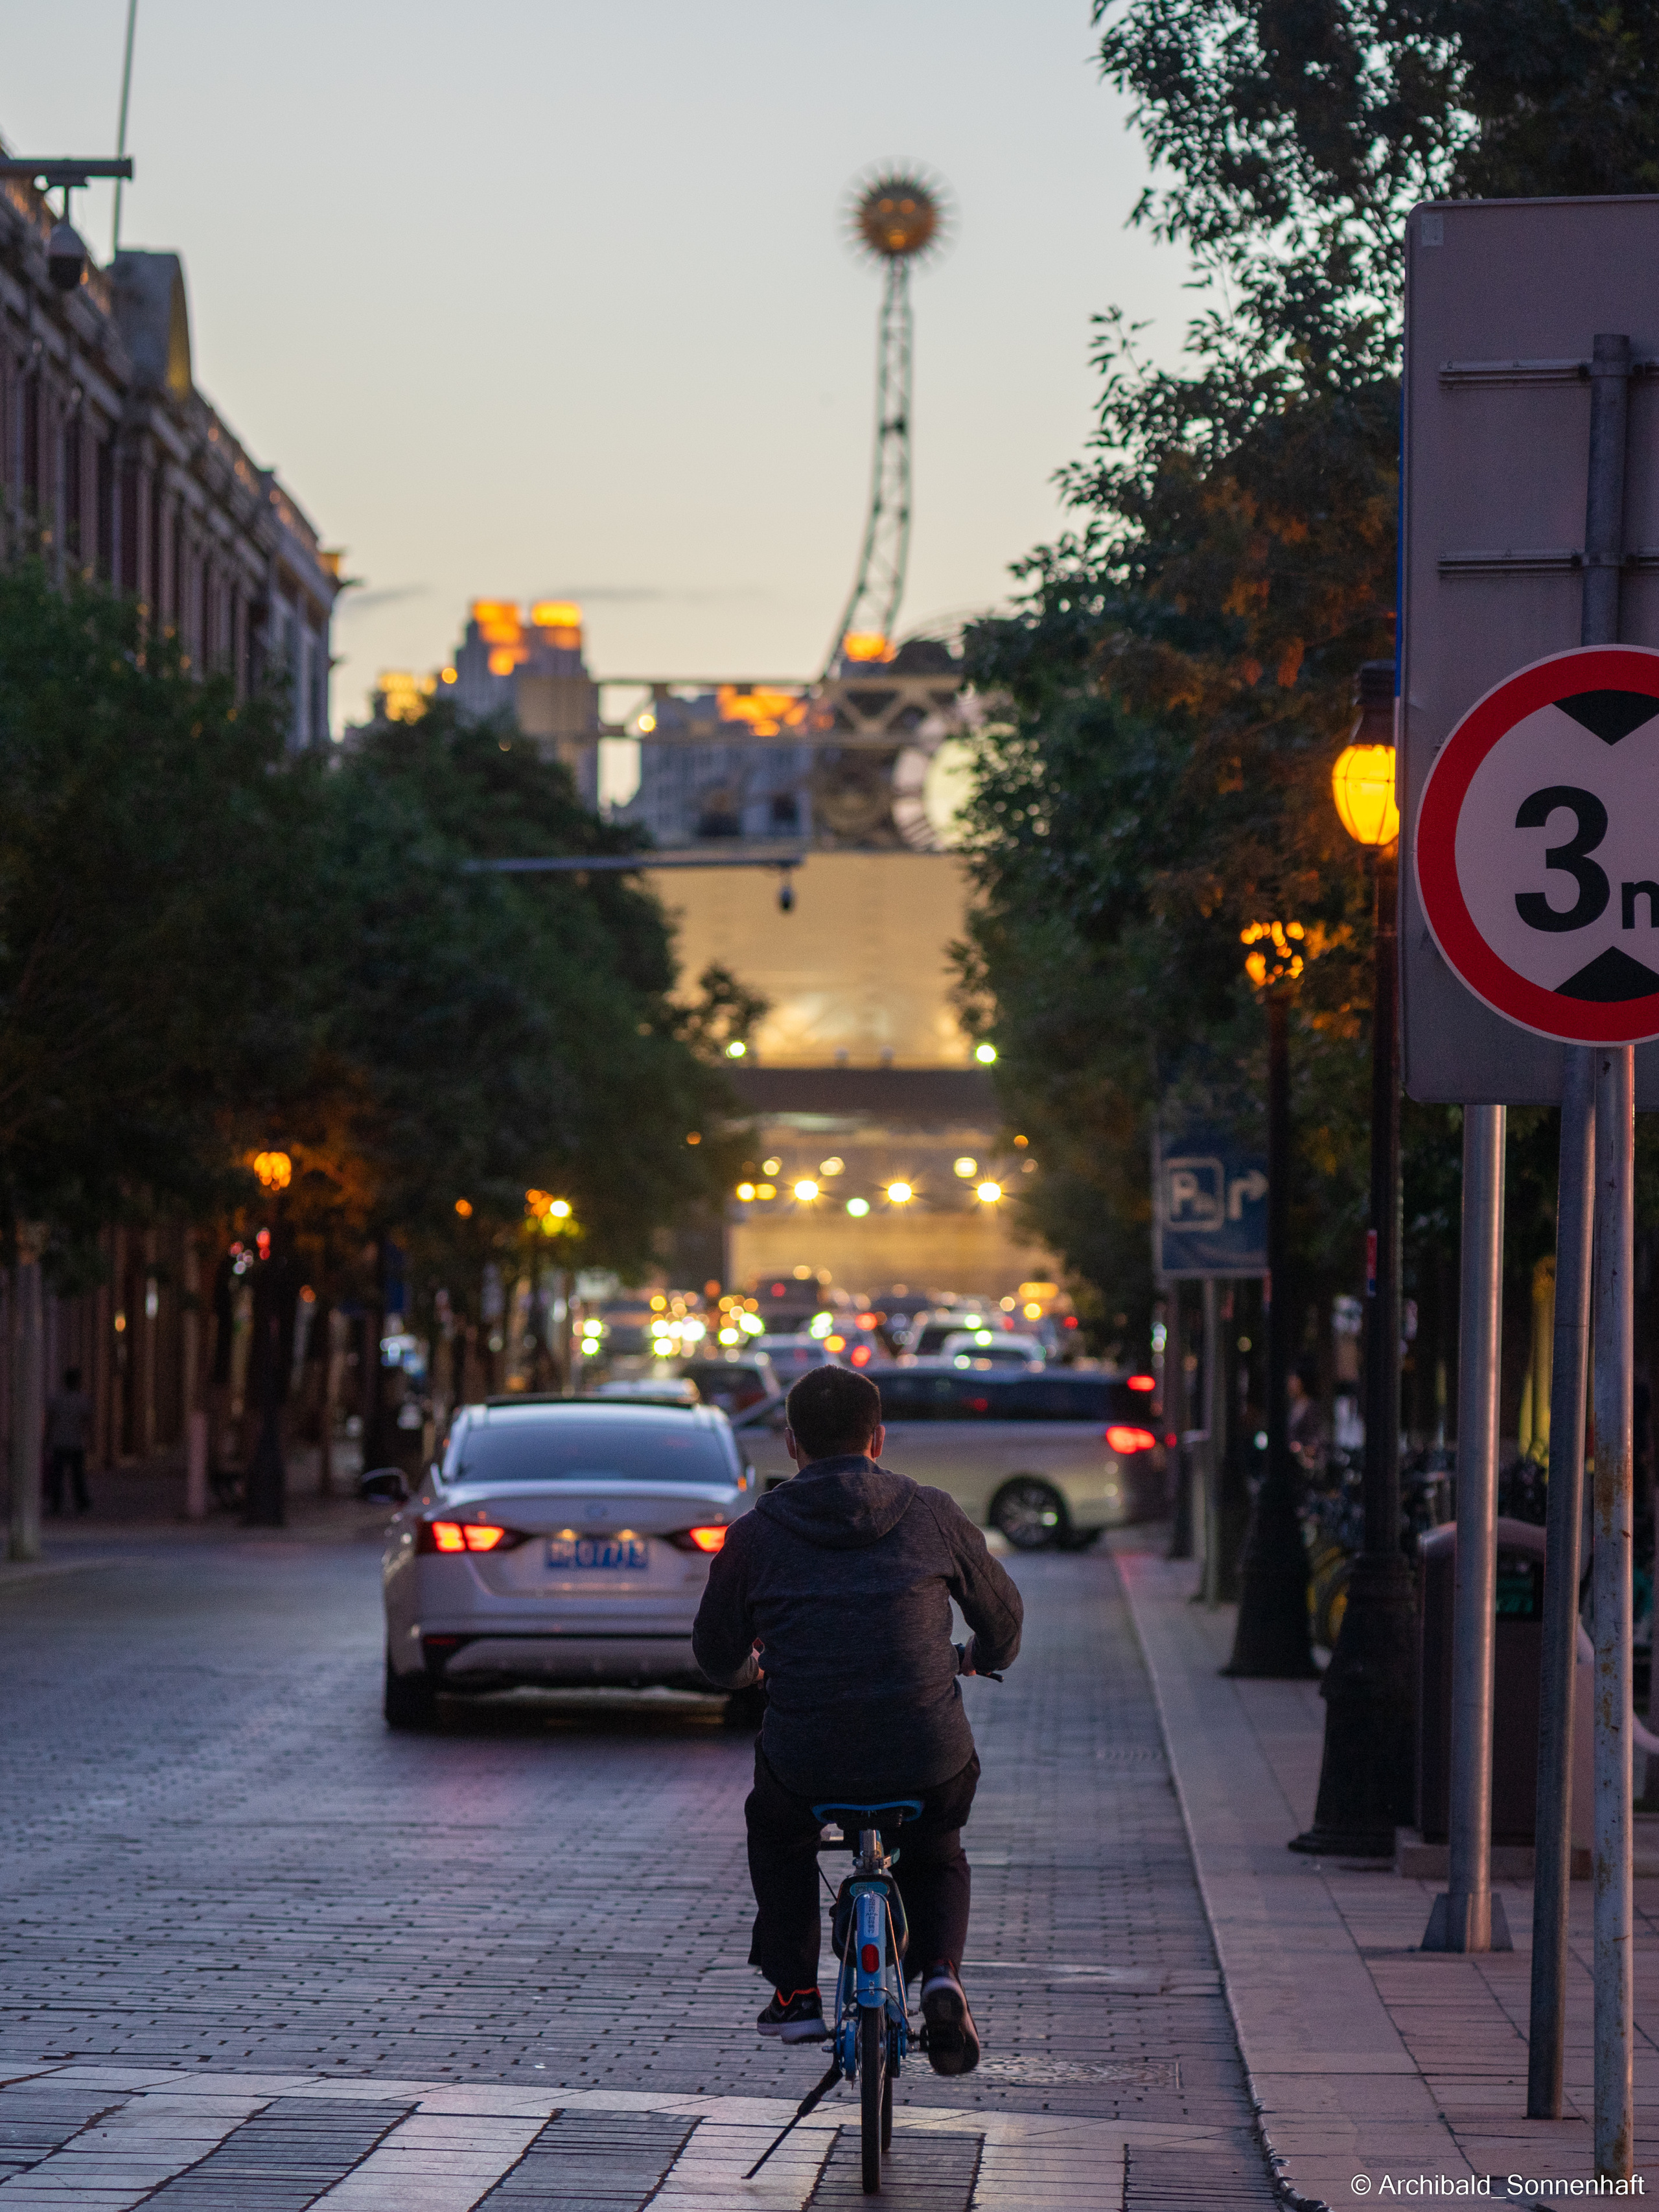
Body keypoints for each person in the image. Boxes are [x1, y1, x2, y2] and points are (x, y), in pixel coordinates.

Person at [692, 1363, 1023, 2075]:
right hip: (926, 1754)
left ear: (789, 1441)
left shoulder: (754, 1533)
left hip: (807, 1760)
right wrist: (975, 1654)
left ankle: (796, 1992)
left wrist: (753, 1670)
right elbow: (1002, 1619)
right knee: (936, 1847)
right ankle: (939, 1973)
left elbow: (715, 1654)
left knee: (779, 1832)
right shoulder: (931, 1510)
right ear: (876, 1439)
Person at [45, 1366, 93, 1516]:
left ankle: (57, 1503)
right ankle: (81, 1502)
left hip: (59, 1442)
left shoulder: (56, 1399)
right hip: (76, 1443)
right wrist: (87, 1440)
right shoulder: (82, 1400)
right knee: (77, 1475)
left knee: (58, 1475)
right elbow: (86, 1423)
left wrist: (47, 1439)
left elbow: (50, 1422)